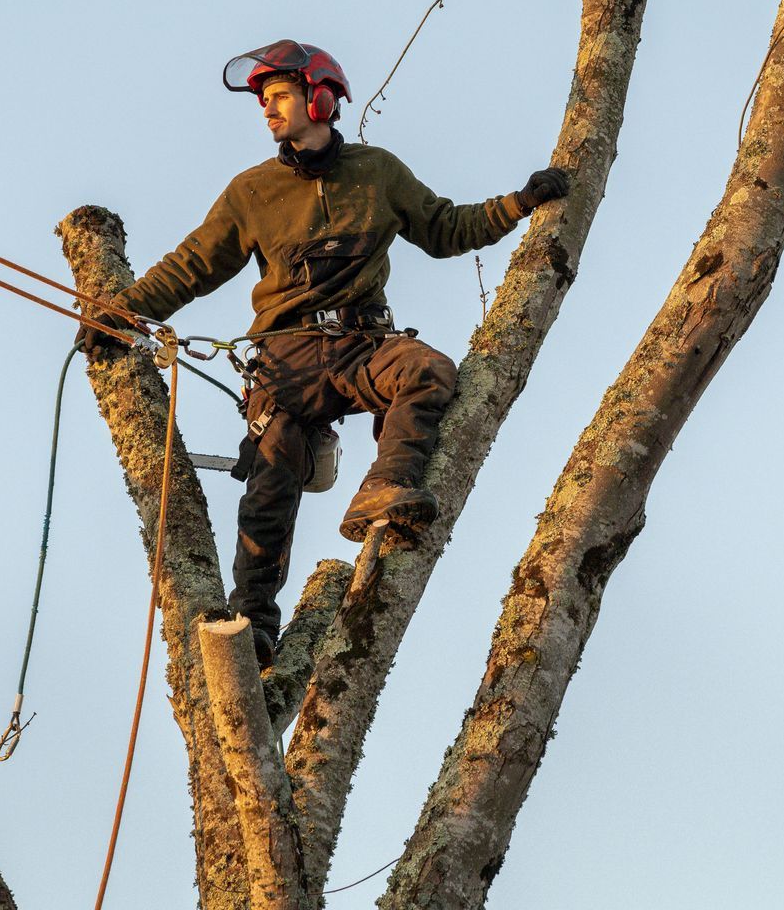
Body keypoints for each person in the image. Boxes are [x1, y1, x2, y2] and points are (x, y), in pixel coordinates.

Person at [80, 40, 568, 664]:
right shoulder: (252, 191)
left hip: (364, 346)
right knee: (273, 464)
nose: (268, 111)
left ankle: (386, 484)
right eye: (263, 101)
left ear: (320, 97)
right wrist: (124, 313)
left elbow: (447, 229)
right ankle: (253, 624)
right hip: (286, 360)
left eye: (279, 96)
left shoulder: (377, 172)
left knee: (427, 371)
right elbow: (193, 265)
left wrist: (520, 203)